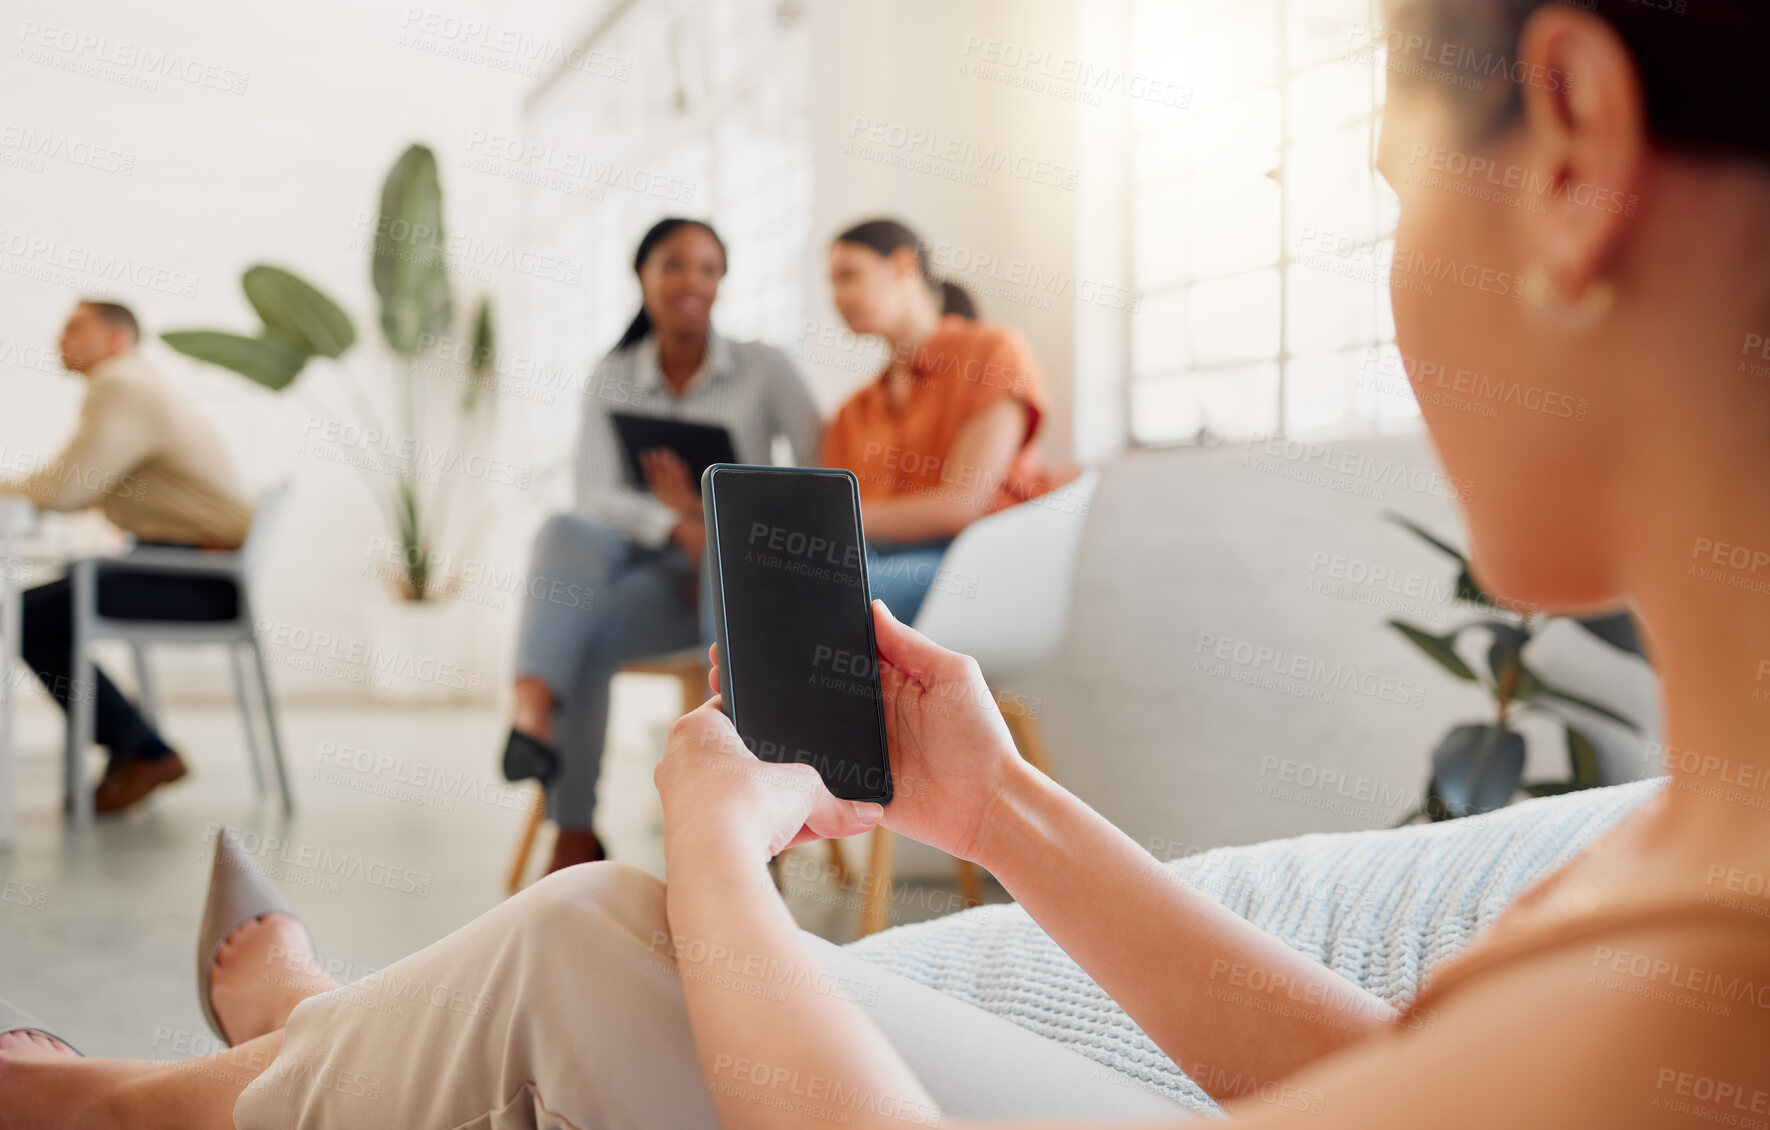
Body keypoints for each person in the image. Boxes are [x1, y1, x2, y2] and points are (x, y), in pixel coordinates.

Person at [4, 0, 1770, 1124]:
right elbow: (1404, 1087)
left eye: (1390, 191)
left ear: (1572, 144)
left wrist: (714, 860)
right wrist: (998, 811)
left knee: (610, 931)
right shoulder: (1707, 841)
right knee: (593, 821)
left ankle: (187, 1097)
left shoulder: (1714, 971)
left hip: (952, 583)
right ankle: (287, 1040)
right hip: (827, 623)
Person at [498, 217, 823, 874]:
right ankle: (570, 818)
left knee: (680, 583)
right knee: (566, 539)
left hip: (730, 574)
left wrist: (713, 513)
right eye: (675, 265)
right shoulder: (612, 374)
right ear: (643, 276)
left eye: (708, 268)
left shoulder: (765, 367)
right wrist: (673, 522)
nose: (692, 282)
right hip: (651, 576)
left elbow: (819, 476)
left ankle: (754, 837)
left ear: (722, 281)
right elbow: (594, 493)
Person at [0, 300, 255, 813]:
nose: (60, 338)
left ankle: (141, 750)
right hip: (189, 568)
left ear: (117, 339)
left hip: (195, 576)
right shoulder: (134, 384)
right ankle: (134, 746)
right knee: (38, 607)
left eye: (75, 326)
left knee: (24, 616)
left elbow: (67, 488)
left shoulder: (121, 386)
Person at [820, 218, 1067, 623]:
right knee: (742, 564)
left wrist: (833, 519)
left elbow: (962, 505)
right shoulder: (853, 410)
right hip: (872, 558)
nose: (836, 296)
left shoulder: (994, 353)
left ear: (904, 265)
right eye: (831, 282)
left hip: (971, 563)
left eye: (848, 276)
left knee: (829, 589)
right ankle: (729, 689)